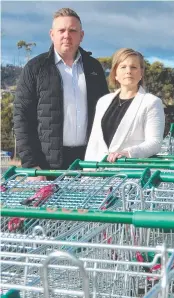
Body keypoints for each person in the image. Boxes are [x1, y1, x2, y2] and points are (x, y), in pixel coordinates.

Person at [13, 7, 109, 177]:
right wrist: (31, 165)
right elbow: (22, 117)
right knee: (52, 205)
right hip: (47, 164)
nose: (67, 35)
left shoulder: (94, 68)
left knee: (86, 205)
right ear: (52, 34)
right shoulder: (35, 68)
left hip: (88, 161)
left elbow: (106, 115)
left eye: (72, 30)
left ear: (81, 35)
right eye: (61, 30)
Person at [85, 48, 165, 163]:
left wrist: (128, 153)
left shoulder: (151, 102)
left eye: (133, 67)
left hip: (130, 175)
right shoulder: (103, 102)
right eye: (123, 67)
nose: (128, 71)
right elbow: (94, 142)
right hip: (99, 175)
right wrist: (87, 171)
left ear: (141, 73)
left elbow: (154, 143)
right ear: (115, 73)